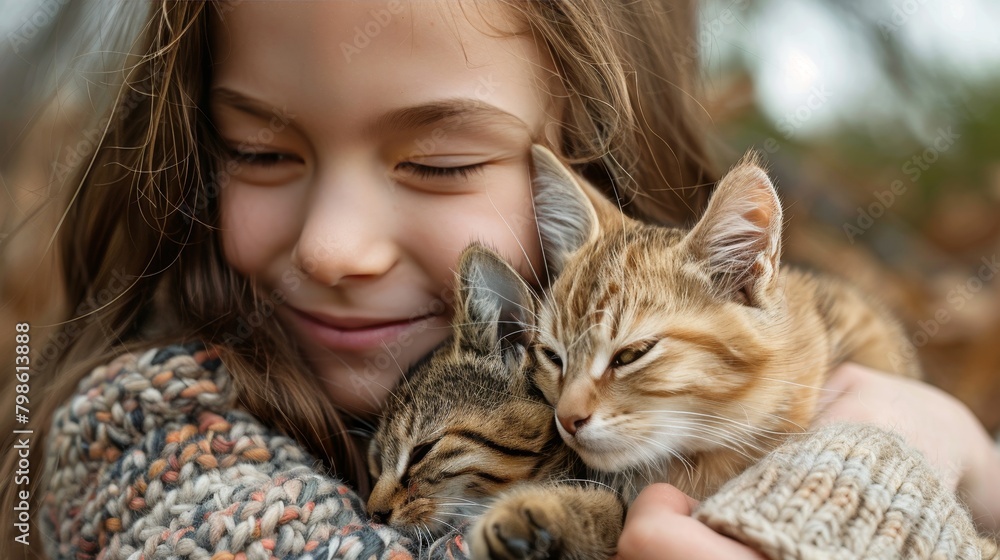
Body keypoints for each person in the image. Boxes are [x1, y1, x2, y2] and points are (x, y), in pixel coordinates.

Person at [0, 2, 997, 559]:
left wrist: (962, 449)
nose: (335, 248)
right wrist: (874, 478)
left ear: (589, 178)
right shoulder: (148, 430)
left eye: (438, 163)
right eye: (258, 150)